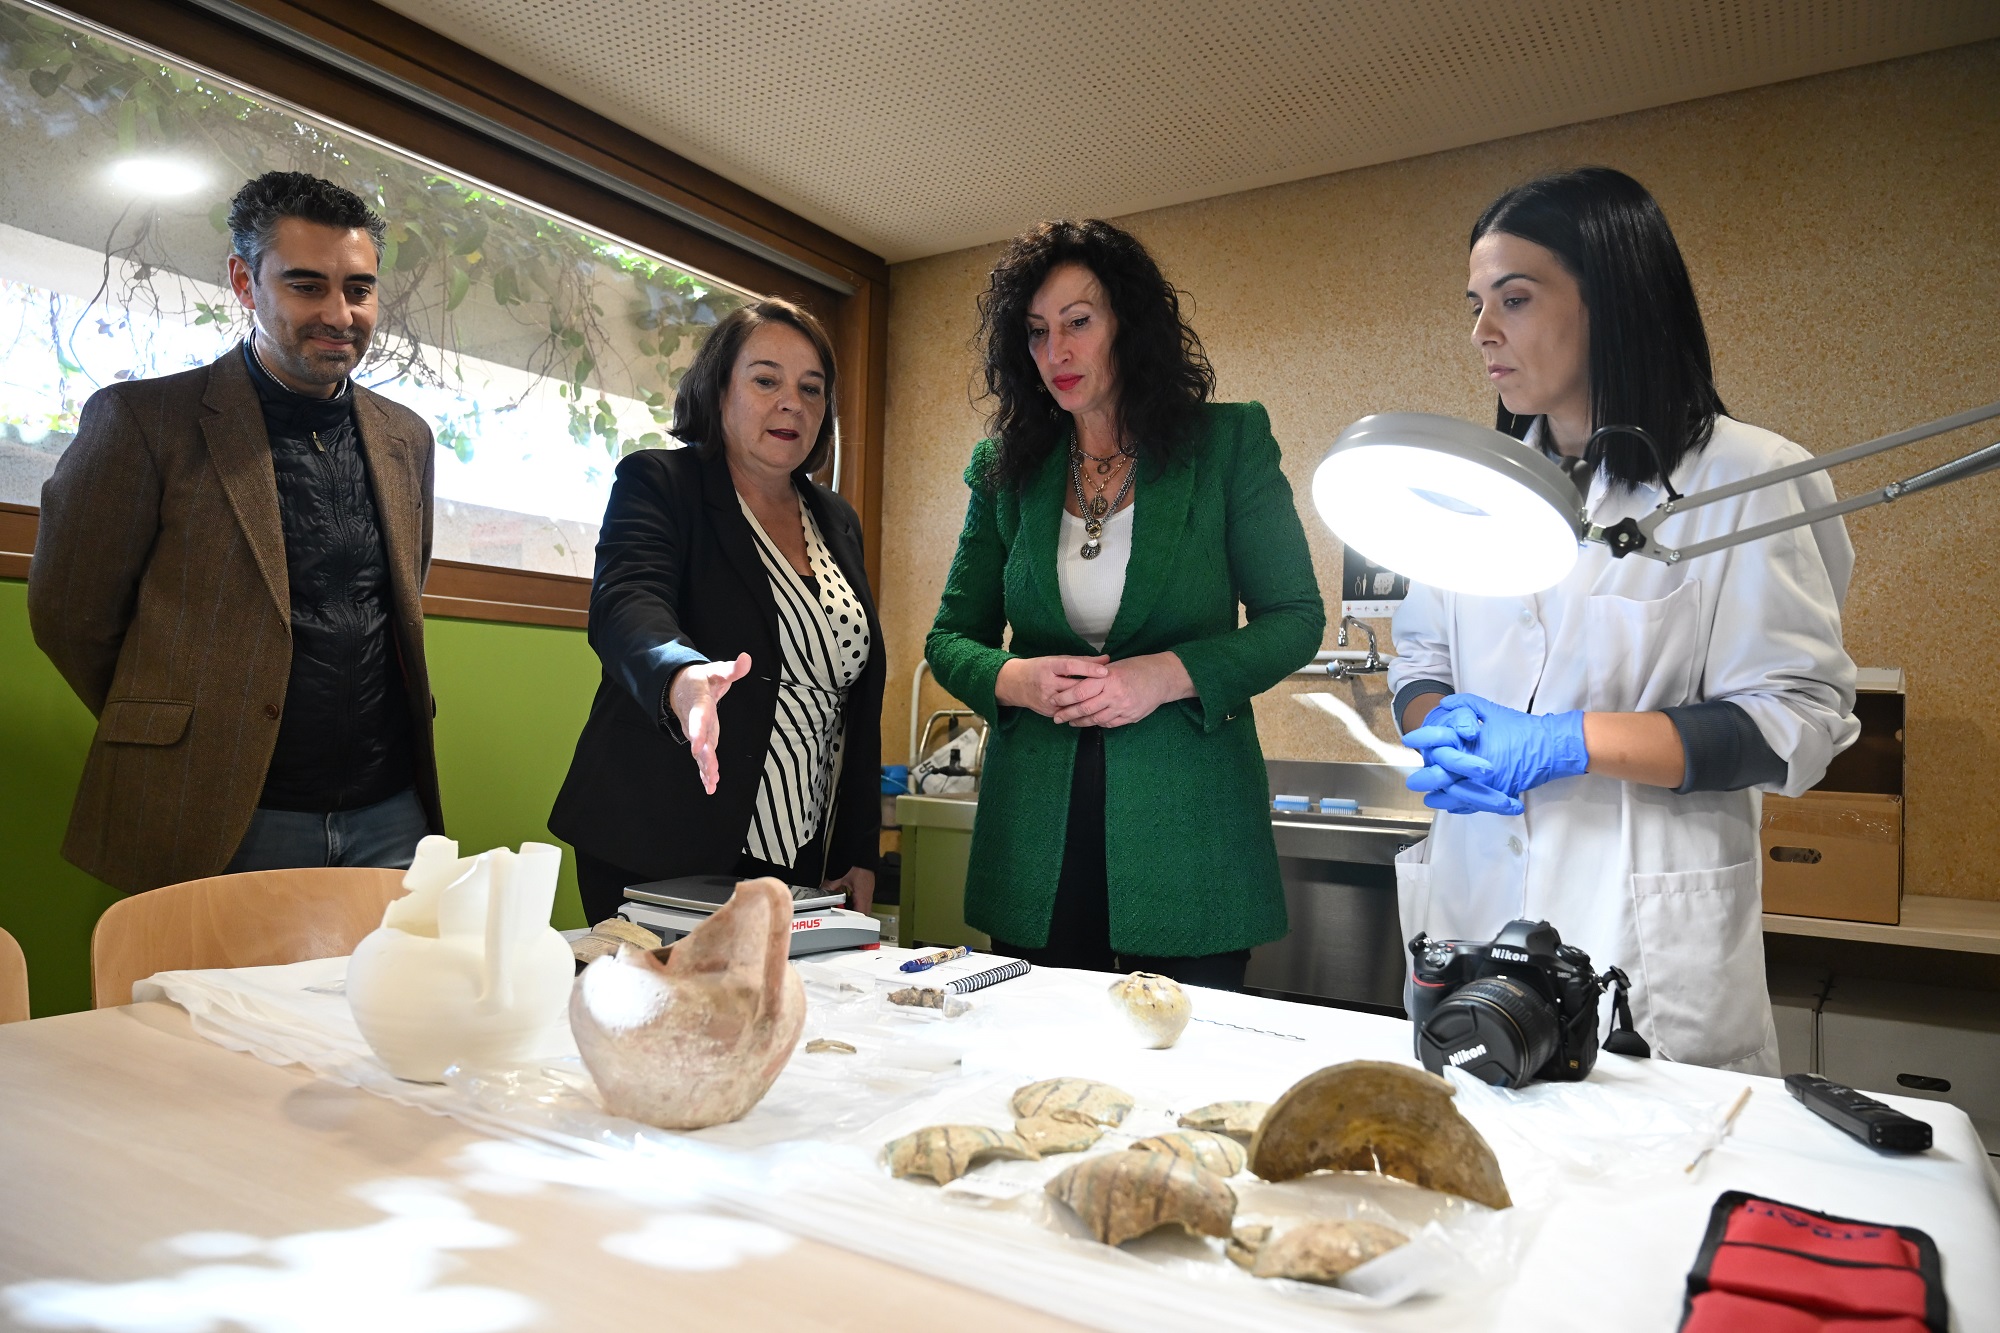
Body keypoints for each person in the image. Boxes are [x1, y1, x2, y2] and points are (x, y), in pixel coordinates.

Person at [1388, 167, 1858, 1074]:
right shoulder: (1469, 489)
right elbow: (1420, 658)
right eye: (1475, 304)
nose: (1483, 333)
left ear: (1611, 298)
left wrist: (1566, 741)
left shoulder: (1744, 478)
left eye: (1514, 299)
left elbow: (1793, 721)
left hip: (1638, 943)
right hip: (1474, 910)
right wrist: (1439, 727)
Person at [927, 220, 1324, 989]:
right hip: (1036, 834)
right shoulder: (1005, 470)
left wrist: (1164, 675)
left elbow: (1295, 617)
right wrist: (1020, 681)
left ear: (1129, 326)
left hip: (1191, 832)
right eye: (1038, 332)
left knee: (1183, 1080)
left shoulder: (1229, 443)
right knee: (1036, 1078)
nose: (1057, 353)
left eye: (1080, 322)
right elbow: (951, 637)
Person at [29, 171, 442, 892]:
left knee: (381, 1008)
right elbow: (70, 614)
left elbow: (401, 601)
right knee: (203, 1010)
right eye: (307, 285)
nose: (340, 314)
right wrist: (187, 719)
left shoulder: (407, 437)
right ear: (245, 284)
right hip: (222, 809)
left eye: (359, 289)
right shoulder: (142, 422)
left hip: (391, 813)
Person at [550, 299, 882, 924]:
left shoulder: (837, 521)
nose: (793, 402)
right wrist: (682, 675)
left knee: (771, 1020)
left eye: (812, 389)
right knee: (663, 1019)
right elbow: (627, 602)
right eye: (766, 380)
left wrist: (858, 845)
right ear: (719, 390)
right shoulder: (660, 482)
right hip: (662, 839)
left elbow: (854, 700)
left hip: (798, 851)